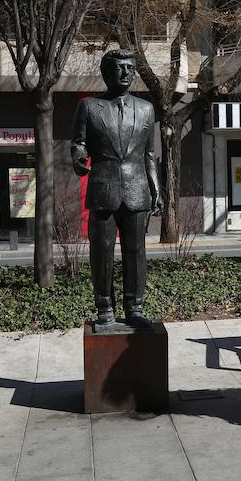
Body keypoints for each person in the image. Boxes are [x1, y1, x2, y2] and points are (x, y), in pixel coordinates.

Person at [70, 49, 161, 331]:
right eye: (120, 67)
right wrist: (78, 155)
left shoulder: (146, 108)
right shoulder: (88, 107)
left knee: (136, 251)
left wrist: (156, 189)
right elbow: (78, 142)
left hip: (137, 190)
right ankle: (104, 307)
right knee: (102, 251)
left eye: (130, 68)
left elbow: (149, 155)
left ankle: (135, 308)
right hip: (103, 189)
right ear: (106, 72)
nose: (126, 73)